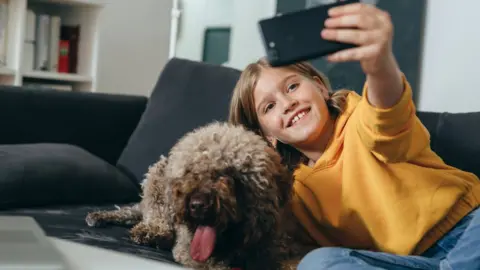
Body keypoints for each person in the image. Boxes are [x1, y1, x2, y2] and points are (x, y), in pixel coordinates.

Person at [228, 2, 480, 270]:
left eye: (292, 86)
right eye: (269, 107)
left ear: (320, 86)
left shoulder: (360, 118)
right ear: (266, 135)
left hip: (465, 231)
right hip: (405, 264)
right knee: (316, 263)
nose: (287, 103)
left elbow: (386, 114)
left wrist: (379, 64)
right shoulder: (292, 192)